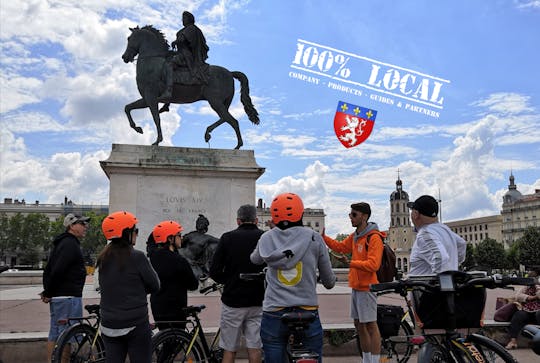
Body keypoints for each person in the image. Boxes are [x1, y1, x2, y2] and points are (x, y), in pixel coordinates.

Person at [250, 192, 336, 363]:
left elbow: (254, 259)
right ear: (301, 214)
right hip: (307, 310)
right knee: (313, 353)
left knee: (273, 352)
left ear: (274, 216)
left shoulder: (267, 237)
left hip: (275, 310)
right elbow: (329, 281)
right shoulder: (314, 238)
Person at [322, 202, 385, 363]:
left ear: (364, 216)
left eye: (354, 215)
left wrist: (351, 263)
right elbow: (341, 246)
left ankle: (374, 360)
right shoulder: (356, 235)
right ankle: (367, 359)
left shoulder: (374, 237)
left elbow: (373, 264)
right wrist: (324, 238)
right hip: (357, 287)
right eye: (350, 214)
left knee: (371, 325)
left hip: (368, 288)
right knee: (359, 325)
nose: (351, 217)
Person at [97, 211, 160, 363]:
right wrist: (138, 290)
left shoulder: (103, 258)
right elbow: (155, 285)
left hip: (108, 324)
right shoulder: (137, 256)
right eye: (135, 231)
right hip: (134, 323)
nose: (137, 234)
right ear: (126, 233)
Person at [209, 205, 266, 363]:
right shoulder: (264, 237)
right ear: (256, 220)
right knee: (255, 348)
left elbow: (214, 270)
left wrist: (228, 281)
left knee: (229, 348)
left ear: (238, 220)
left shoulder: (227, 238)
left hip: (233, 301)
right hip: (258, 300)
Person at [41, 213, 89, 361]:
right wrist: (49, 291)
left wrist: (48, 291)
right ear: (72, 226)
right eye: (82, 224)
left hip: (60, 296)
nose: (85, 227)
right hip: (68, 297)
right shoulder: (70, 244)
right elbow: (58, 270)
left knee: (54, 334)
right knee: (68, 335)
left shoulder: (61, 243)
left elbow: (49, 270)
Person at [150, 220, 198, 330]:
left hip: (157, 307)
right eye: (179, 235)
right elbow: (193, 285)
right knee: (176, 343)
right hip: (175, 309)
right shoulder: (179, 260)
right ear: (170, 239)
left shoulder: (153, 258)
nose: (181, 238)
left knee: (165, 339)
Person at [406, 195, 466, 275]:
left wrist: (438, 282)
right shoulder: (445, 229)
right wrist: (453, 264)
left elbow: (440, 258)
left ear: (416, 214)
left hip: (423, 286)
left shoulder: (424, 234)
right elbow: (461, 243)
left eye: (411, 210)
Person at [159, 10, 209, 100]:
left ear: (190, 19)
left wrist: (176, 41)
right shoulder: (185, 29)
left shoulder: (191, 28)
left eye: (184, 18)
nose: (183, 20)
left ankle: (168, 91)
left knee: (169, 65)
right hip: (180, 53)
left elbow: (183, 39)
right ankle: (167, 103)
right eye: (182, 18)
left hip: (186, 55)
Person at [505, 270, 540, 349]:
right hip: (528, 311)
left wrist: (537, 287)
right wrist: (531, 298)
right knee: (518, 315)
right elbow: (518, 296)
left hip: (538, 313)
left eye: (534, 278)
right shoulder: (526, 286)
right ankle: (513, 341)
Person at [179, 214, 219, 280]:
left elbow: (221, 241)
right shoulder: (191, 234)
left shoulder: (207, 238)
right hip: (182, 255)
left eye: (202, 223)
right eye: (199, 223)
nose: (200, 225)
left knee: (198, 275)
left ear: (205, 226)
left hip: (192, 261)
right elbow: (179, 243)